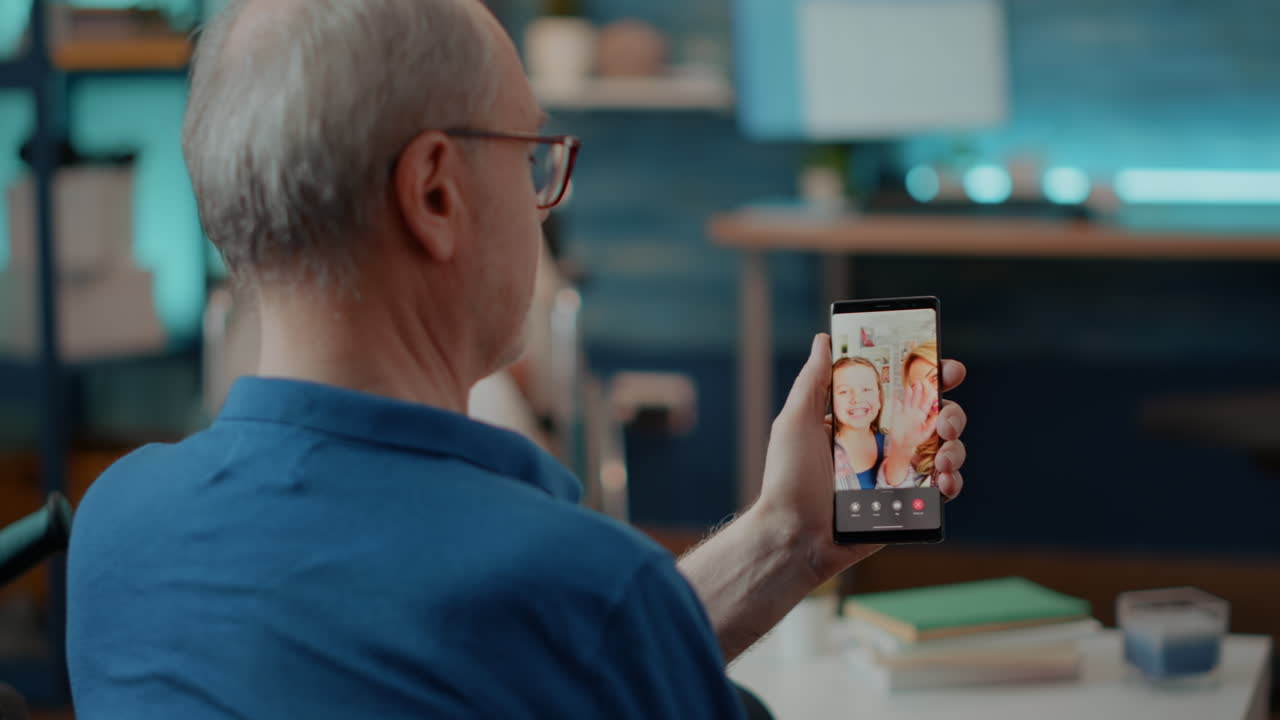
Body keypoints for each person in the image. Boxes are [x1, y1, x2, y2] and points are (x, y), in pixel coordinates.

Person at [65, 1, 970, 718]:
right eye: (533, 156)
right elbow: (562, 645)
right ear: (433, 192)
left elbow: (516, 672)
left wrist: (789, 536)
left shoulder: (115, 530)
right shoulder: (578, 586)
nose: (544, 200)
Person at [832, 357, 887, 491]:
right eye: (844, 391)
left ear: (879, 399)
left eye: (866, 389)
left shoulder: (893, 446)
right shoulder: (823, 454)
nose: (857, 399)